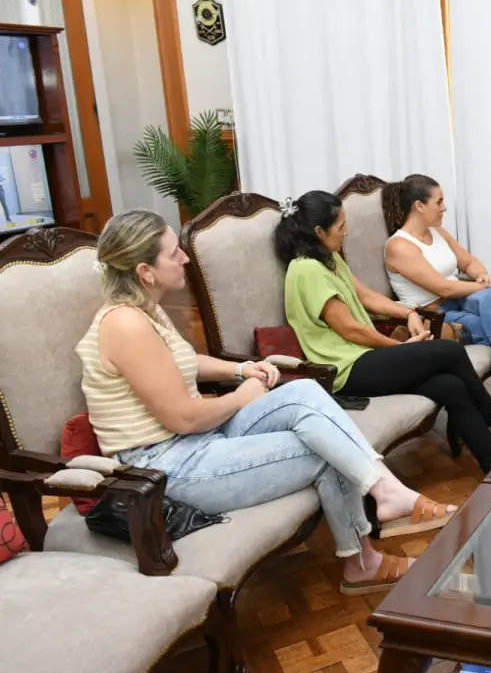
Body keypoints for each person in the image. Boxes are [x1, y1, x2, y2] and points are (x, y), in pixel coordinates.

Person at [78, 209, 451, 596]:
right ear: (145, 271)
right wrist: (240, 397)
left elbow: (179, 360)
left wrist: (240, 370)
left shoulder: (145, 310)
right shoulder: (126, 325)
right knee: (326, 449)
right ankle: (363, 562)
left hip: (196, 441)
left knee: (304, 392)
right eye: (174, 253)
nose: (185, 257)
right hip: (166, 466)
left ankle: (385, 490)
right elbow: (183, 418)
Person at [275, 191, 491, 474]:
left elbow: (367, 297)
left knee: (450, 386)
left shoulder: (327, 259)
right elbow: (351, 329)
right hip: (343, 371)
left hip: (362, 358)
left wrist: (409, 313)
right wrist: (399, 349)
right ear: (320, 231)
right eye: (341, 226)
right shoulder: (307, 270)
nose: (347, 232)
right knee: (449, 350)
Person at [382, 175, 491, 412]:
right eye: (439, 201)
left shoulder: (437, 231)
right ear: (419, 206)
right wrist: (486, 285)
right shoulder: (399, 246)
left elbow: (468, 261)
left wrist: (481, 275)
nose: (444, 207)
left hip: (461, 299)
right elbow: (443, 288)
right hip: (437, 314)